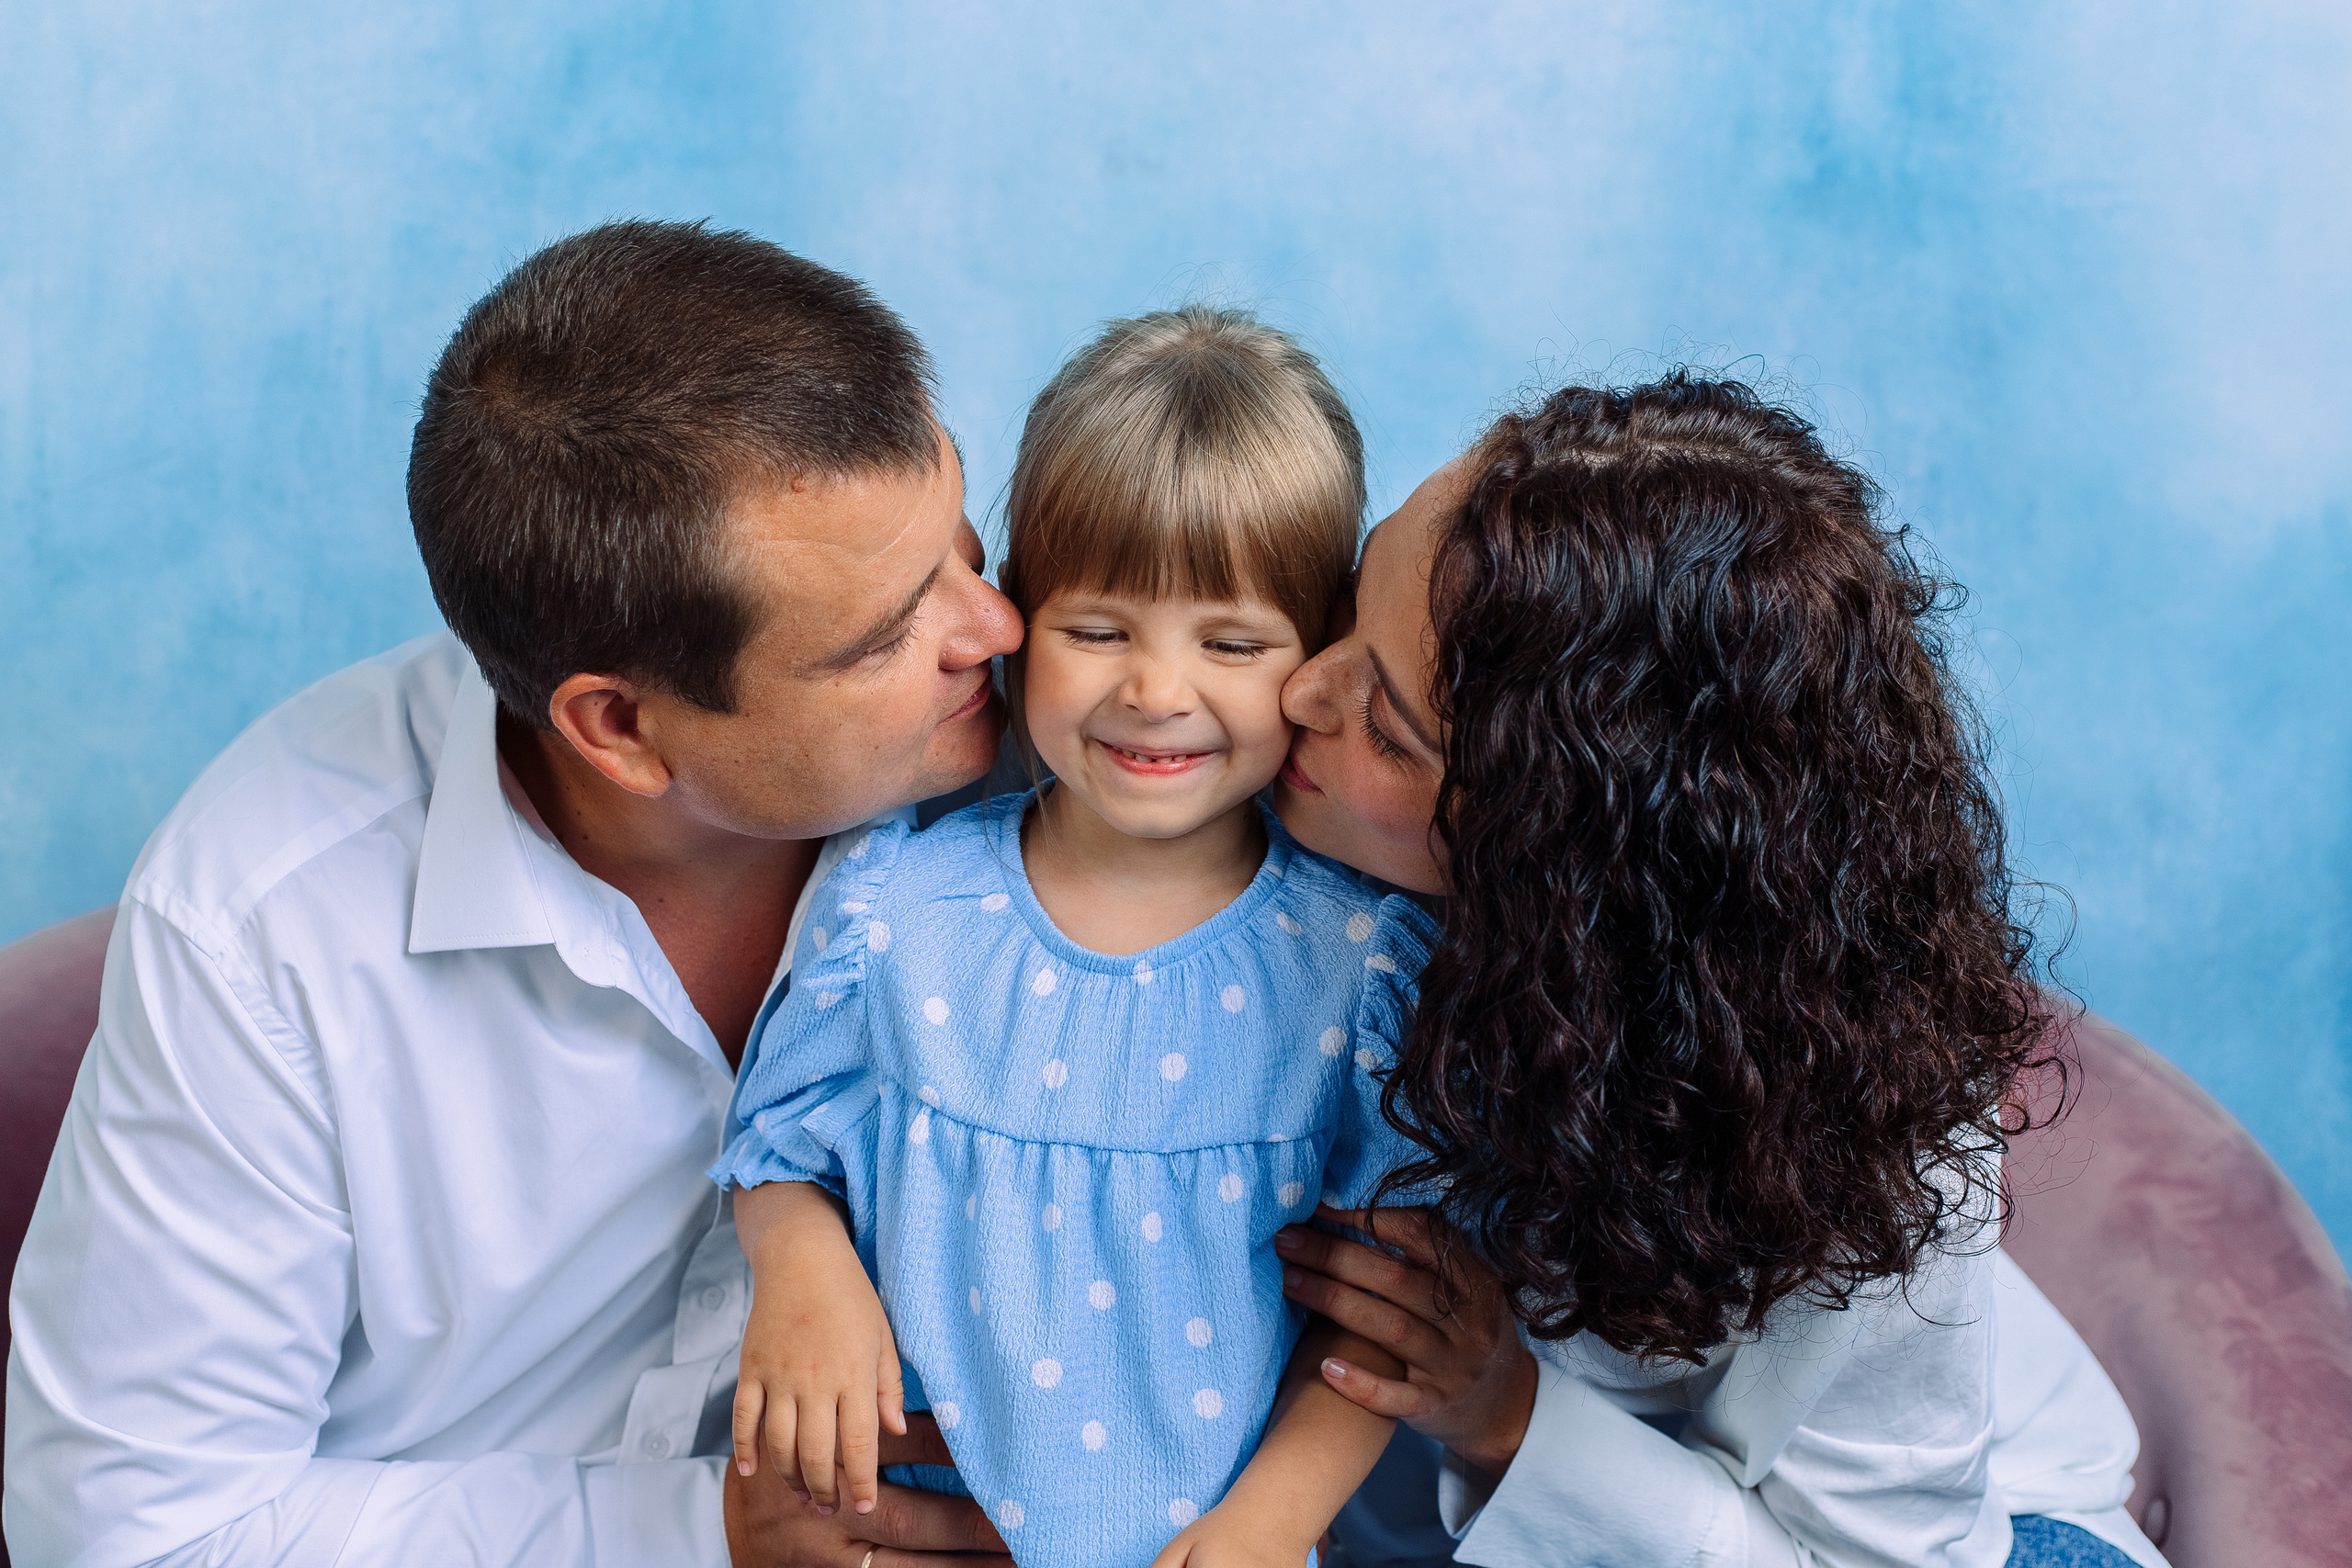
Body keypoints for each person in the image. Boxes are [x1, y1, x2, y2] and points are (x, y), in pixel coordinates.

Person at [5, 221, 1025, 1568]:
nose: (997, 629)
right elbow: (136, 1534)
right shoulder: (262, 925)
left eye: (961, 539)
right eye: (890, 634)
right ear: (619, 728)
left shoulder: (1061, 759)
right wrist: (704, 1534)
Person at [1270, 374, 2170, 1568]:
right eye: (1344, 607)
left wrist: (1506, 1417)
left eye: (1391, 729)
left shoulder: (1868, 1163)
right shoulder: (1333, 879)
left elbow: (1875, 1559)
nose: (1296, 692)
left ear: (1564, 860)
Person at [715, 308, 1430, 1566]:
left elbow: (1385, 1311)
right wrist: (798, 1267)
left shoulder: (1360, 966)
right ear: (1020, 619)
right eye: (1098, 629)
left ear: (1315, 652)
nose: (1155, 692)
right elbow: (777, 1142)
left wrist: (1271, 1521)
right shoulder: (893, 908)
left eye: (1230, 642)